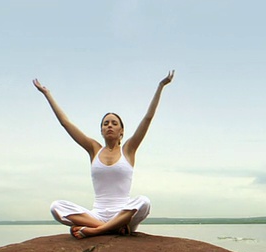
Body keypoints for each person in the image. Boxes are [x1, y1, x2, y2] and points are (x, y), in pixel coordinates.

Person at [33, 71, 174, 239]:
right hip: (97, 215)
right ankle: (111, 229)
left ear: (121, 131)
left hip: (124, 214)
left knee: (144, 201)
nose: (109, 126)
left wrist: (160, 87)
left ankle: (97, 230)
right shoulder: (93, 148)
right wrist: (47, 94)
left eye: (114, 123)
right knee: (56, 207)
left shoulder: (128, 149)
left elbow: (147, 118)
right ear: (101, 130)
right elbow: (65, 123)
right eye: (106, 123)